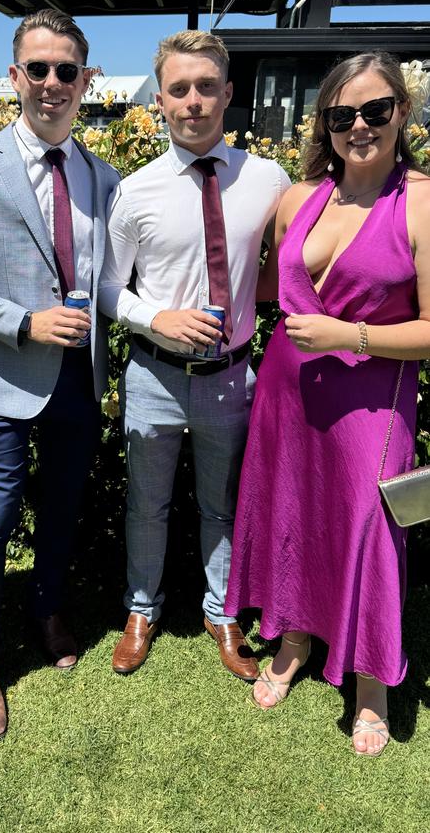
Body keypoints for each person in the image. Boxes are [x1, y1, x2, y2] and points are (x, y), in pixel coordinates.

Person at [225, 51, 430, 757]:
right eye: (343, 116)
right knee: (296, 512)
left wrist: (353, 334)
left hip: (373, 399)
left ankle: (373, 681)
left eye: (375, 111)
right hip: (288, 392)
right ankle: (296, 639)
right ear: (327, 124)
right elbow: (262, 286)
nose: (359, 127)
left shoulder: (424, 201)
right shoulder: (297, 199)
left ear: (402, 112)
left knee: (371, 527)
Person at [0, 8, 119, 742]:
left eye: (65, 70)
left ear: (84, 79)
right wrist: (23, 322)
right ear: (14, 76)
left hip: (78, 378)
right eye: (36, 69)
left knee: (64, 507)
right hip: (4, 375)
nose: (51, 83)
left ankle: (46, 608)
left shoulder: (104, 176)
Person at [99, 30, 289, 677]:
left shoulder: (268, 180)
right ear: (159, 100)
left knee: (223, 503)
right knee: (145, 502)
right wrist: (158, 317)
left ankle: (222, 611)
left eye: (207, 87)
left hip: (232, 378)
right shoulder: (135, 191)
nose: (194, 101)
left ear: (228, 94)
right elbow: (104, 289)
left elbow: (288, 266)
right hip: (154, 374)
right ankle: (142, 608)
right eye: (179, 89)